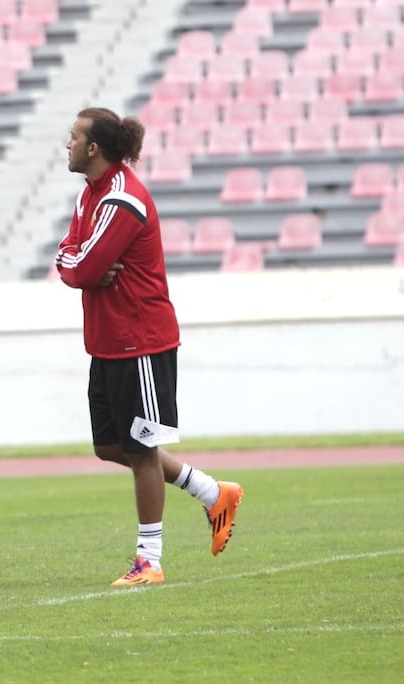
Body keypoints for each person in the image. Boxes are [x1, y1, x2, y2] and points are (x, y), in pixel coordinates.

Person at [55, 107, 244, 587]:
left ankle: (149, 561)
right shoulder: (90, 196)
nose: (67, 144)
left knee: (141, 450)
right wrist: (80, 263)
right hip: (107, 341)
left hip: (139, 340)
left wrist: (82, 264)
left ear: (93, 148)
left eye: (74, 137)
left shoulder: (123, 200)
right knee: (110, 447)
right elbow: (68, 259)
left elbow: (83, 268)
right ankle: (211, 491)